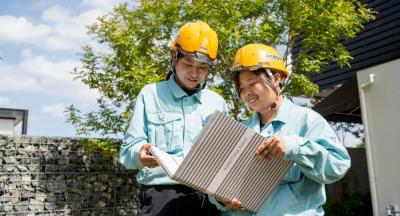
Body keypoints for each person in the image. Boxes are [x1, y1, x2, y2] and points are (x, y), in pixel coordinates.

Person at [209, 44, 351, 215]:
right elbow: (219, 182)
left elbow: (338, 166)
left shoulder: (307, 120)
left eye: (252, 83)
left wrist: (294, 148)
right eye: (241, 88)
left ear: (276, 79)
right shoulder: (242, 129)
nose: (247, 93)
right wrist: (220, 199)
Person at [120, 21, 227, 216]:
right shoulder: (150, 95)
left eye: (203, 68)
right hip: (161, 195)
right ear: (174, 58)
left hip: (207, 199)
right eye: (188, 64)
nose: (194, 73)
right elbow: (128, 149)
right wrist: (139, 154)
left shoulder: (217, 103)